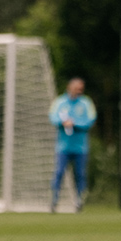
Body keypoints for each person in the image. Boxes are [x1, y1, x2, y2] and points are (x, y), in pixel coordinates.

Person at [49, 77, 96, 213]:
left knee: (80, 174)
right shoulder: (60, 102)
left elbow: (91, 120)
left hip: (80, 147)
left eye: (81, 88)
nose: (79, 90)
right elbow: (53, 116)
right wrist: (63, 122)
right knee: (59, 172)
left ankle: (79, 201)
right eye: (77, 88)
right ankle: (54, 201)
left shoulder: (86, 103)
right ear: (70, 87)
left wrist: (75, 123)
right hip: (63, 146)